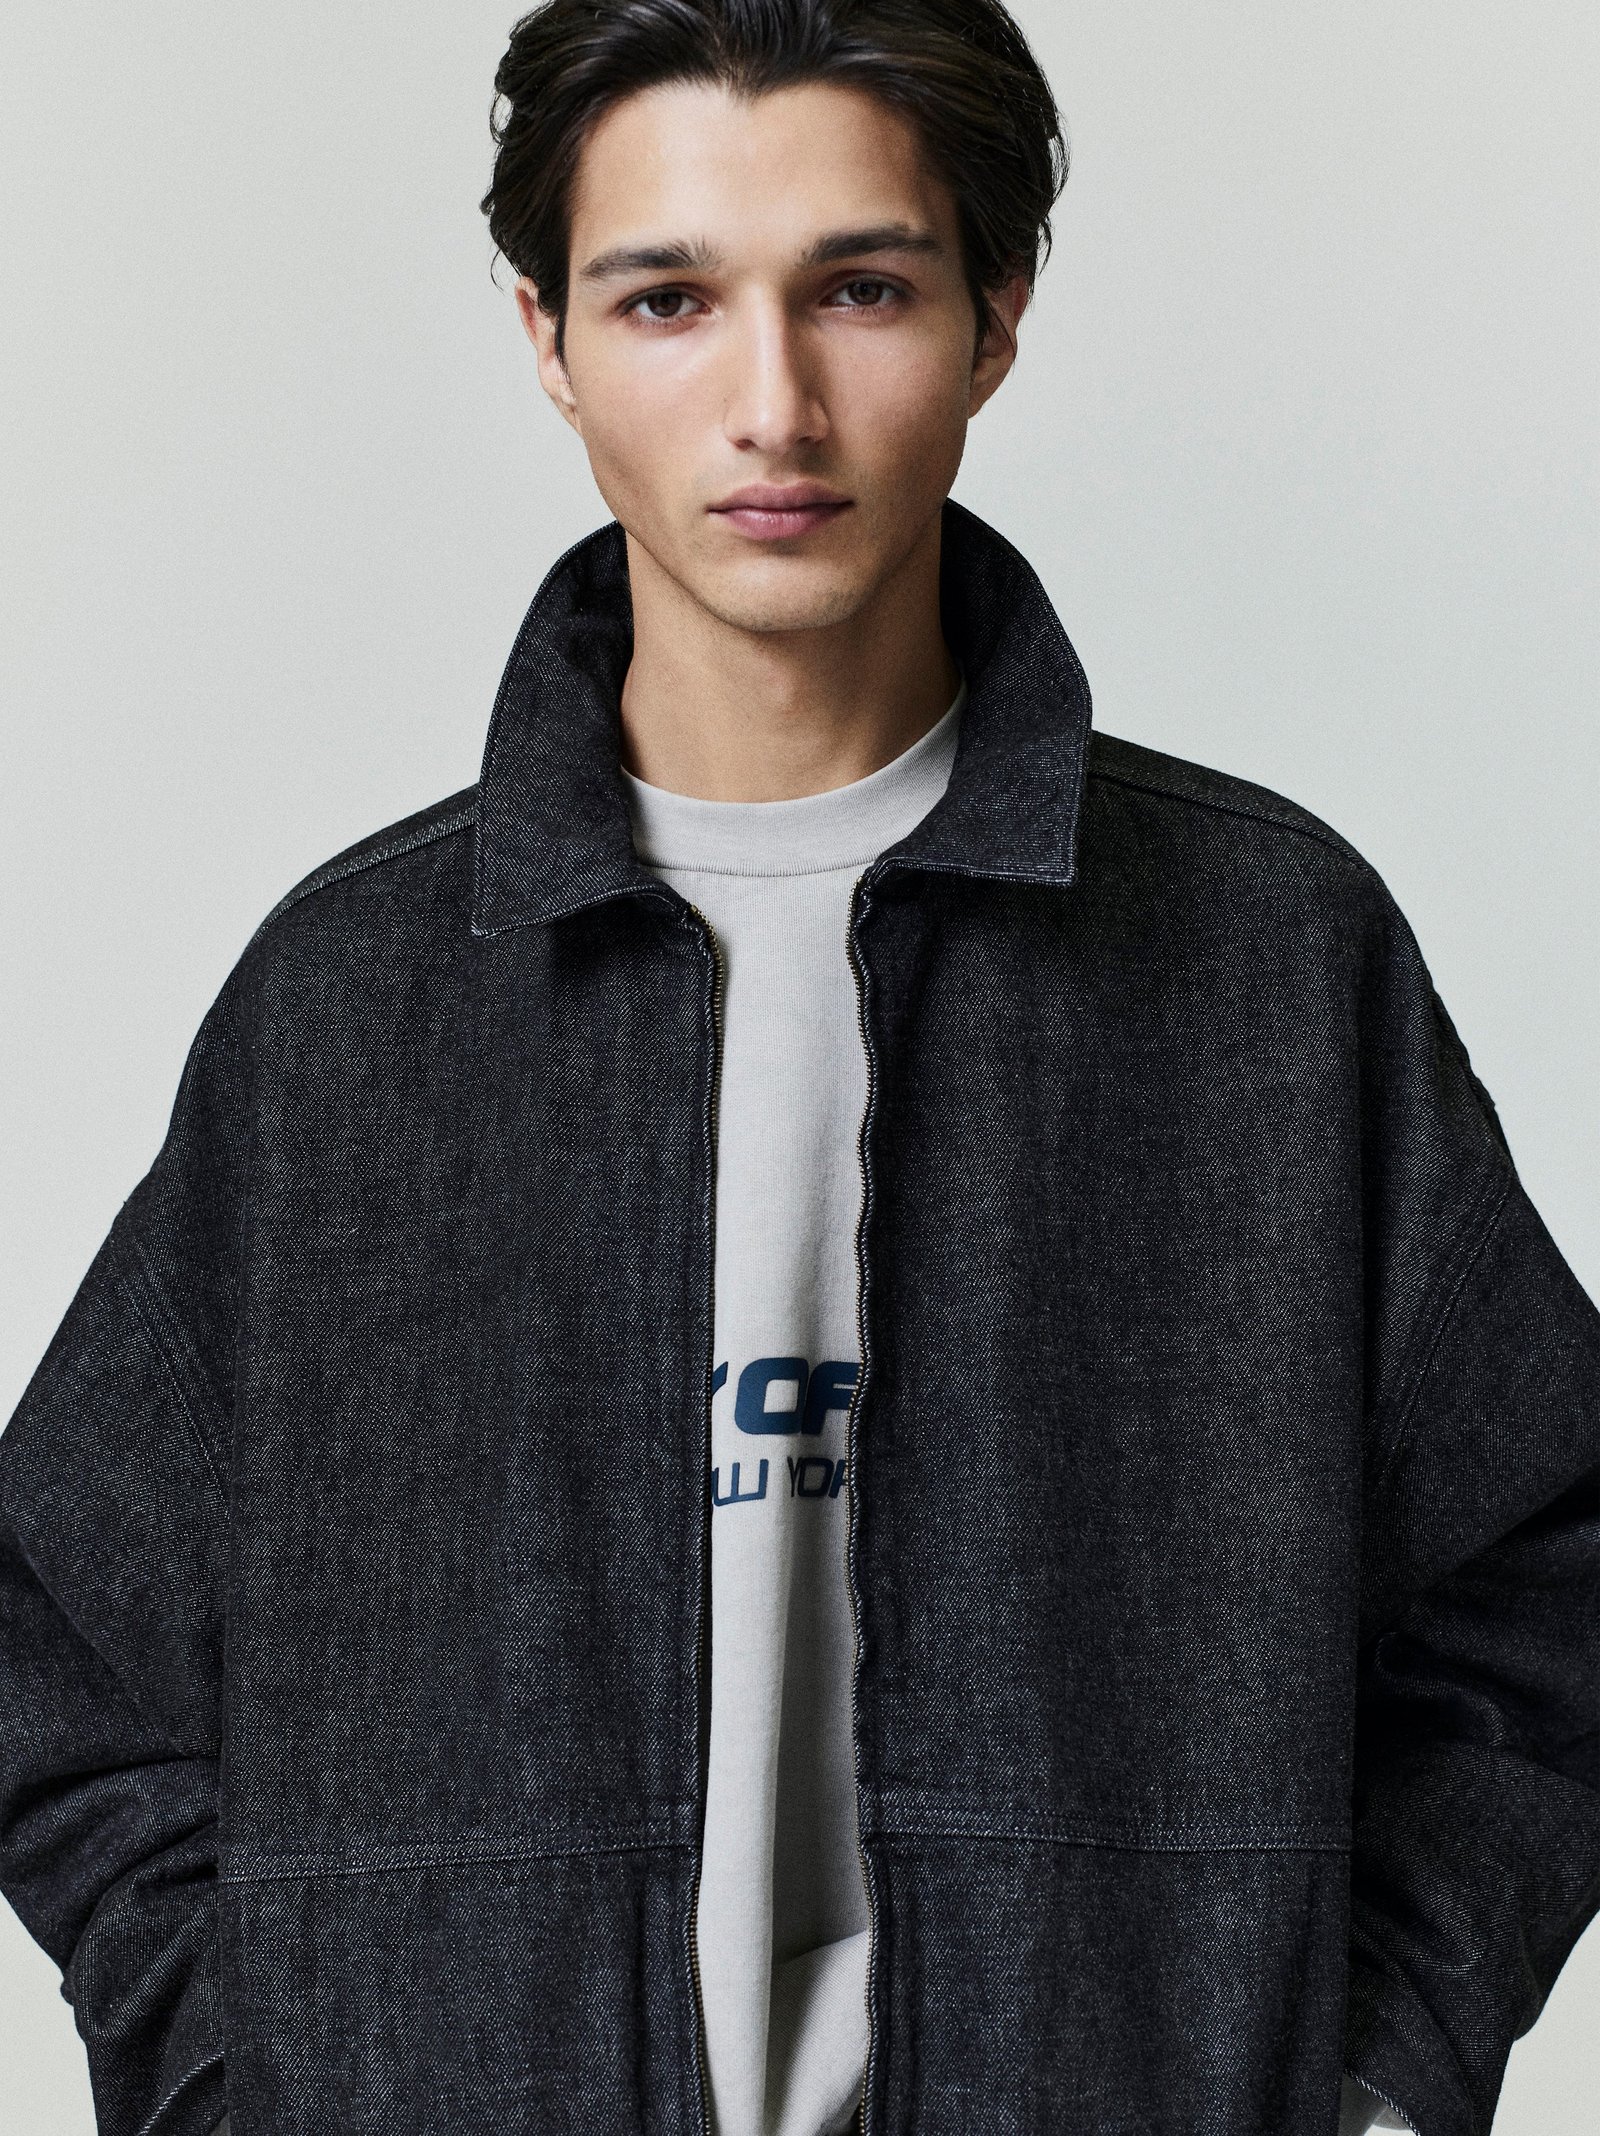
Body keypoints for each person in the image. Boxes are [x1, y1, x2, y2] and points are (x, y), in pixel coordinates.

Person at [2, 3, 1596, 2132]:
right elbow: (63, 1639)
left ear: (995, 317)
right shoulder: (350, 1010)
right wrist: (243, 2076)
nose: (772, 403)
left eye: (860, 289)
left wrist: (1375, 2071)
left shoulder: (1266, 963)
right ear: (550, 341)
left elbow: (1551, 1572)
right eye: (664, 300)